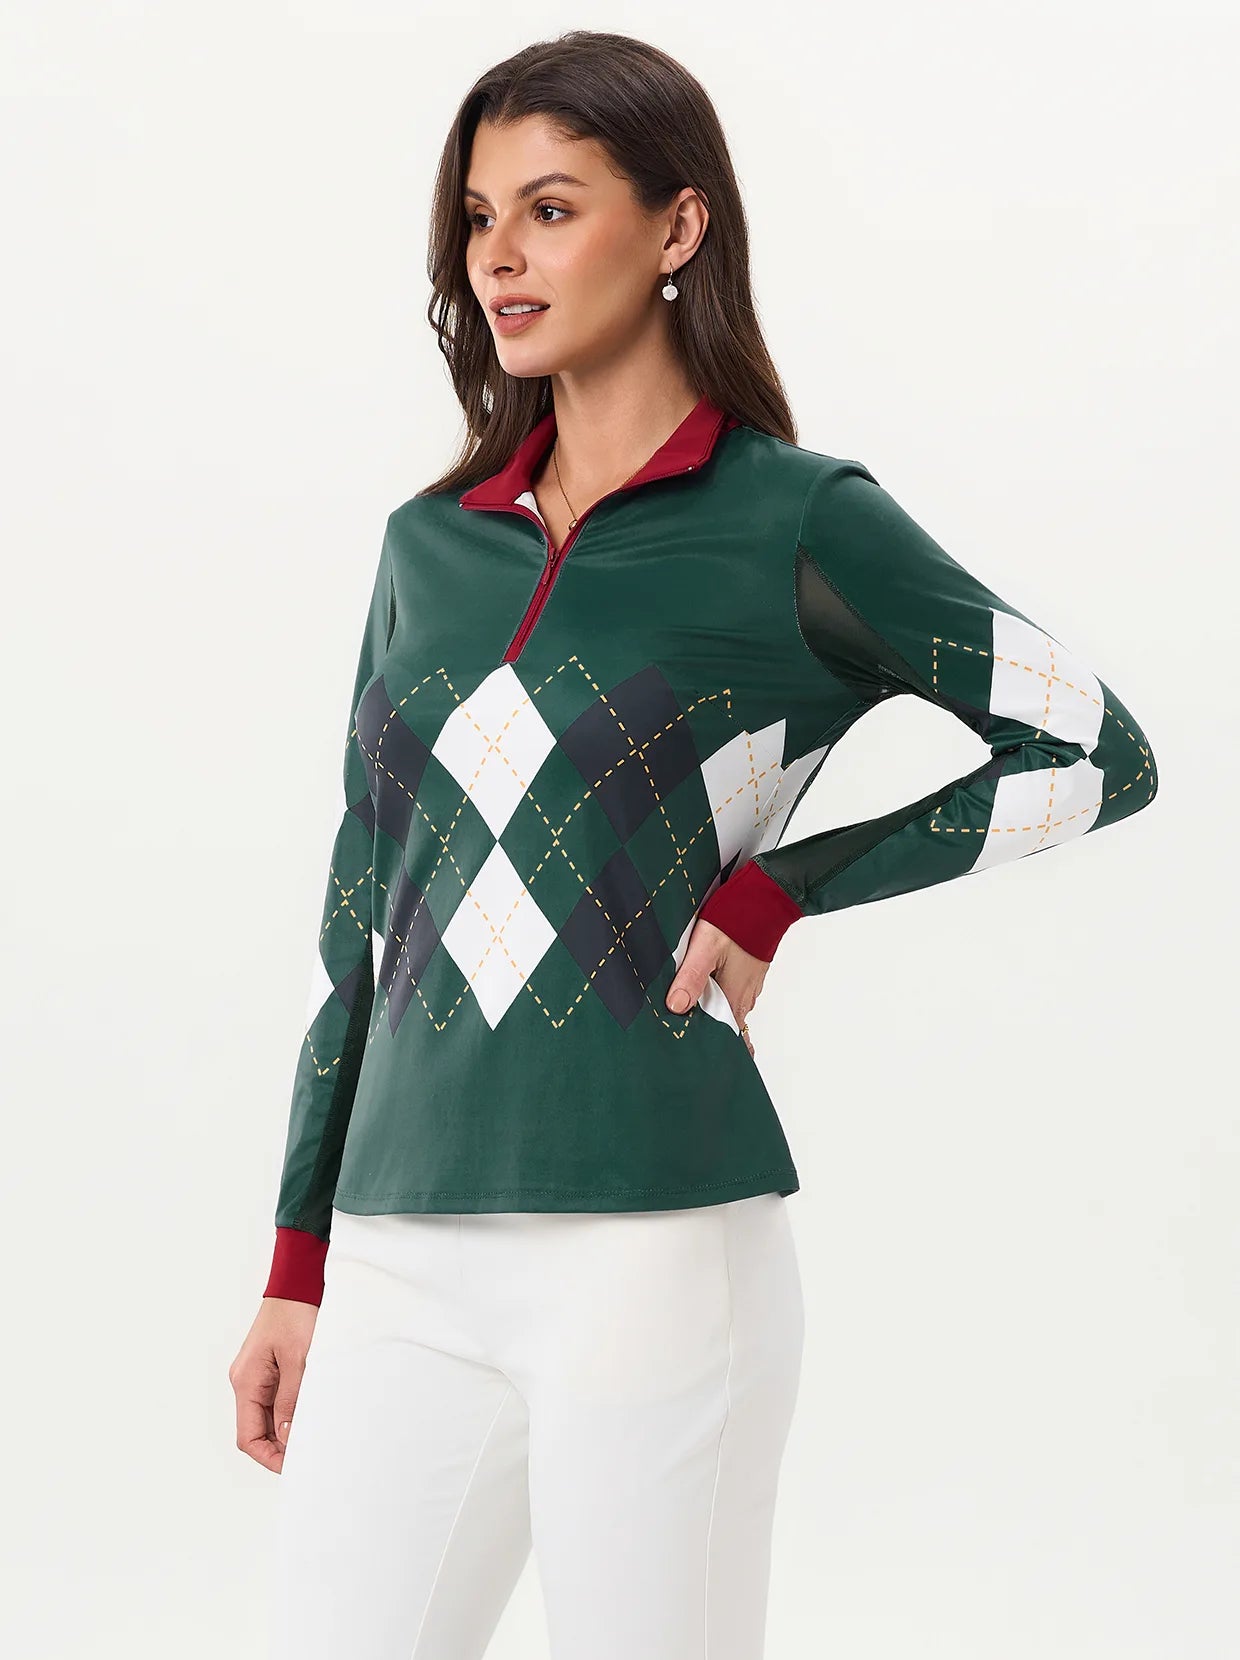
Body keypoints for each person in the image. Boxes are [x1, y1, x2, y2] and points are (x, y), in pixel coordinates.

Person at [228, 29, 1160, 1660]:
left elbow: (1097, 750)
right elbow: (357, 925)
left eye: (550, 209)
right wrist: (298, 1260)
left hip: (652, 1253)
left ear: (677, 227)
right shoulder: (428, 547)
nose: (499, 258)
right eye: (477, 218)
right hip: (400, 1253)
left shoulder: (792, 520)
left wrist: (784, 888)